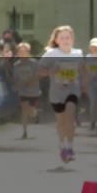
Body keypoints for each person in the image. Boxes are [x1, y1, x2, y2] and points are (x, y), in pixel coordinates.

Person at [39, 25, 87, 163]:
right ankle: (62, 145)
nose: (65, 40)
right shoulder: (51, 54)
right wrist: (51, 72)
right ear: (56, 40)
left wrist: (84, 84)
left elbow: (83, 70)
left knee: (70, 116)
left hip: (72, 90)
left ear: (72, 39)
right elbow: (40, 71)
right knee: (61, 121)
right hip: (56, 93)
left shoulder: (77, 53)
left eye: (68, 37)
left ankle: (70, 147)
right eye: (62, 38)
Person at [10, 42, 41, 138]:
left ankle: (35, 113)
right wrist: (16, 85)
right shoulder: (16, 65)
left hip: (34, 91)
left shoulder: (34, 63)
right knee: (24, 110)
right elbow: (15, 78)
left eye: (25, 51)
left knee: (30, 111)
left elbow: (38, 75)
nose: (22, 53)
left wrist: (32, 81)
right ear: (18, 53)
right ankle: (24, 132)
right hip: (23, 91)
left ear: (28, 52)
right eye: (20, 51)